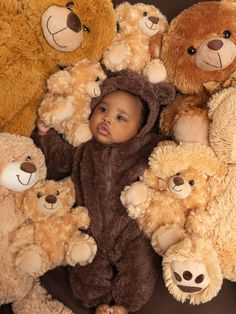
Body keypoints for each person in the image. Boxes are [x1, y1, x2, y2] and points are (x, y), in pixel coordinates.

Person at [31, 70, 175, 314]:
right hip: (90, 227)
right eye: (103, 110)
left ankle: (124, 305)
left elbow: (167, 157)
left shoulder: (143, 147)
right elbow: (58, 158)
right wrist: (45, 134)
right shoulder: (83, 150)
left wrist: (170, 151)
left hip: (131, 229)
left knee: (140, 267)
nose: (108, 119)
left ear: (140, 129)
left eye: (121, 118)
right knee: (84, 267)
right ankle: (98, 303)